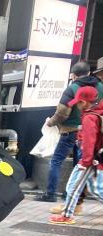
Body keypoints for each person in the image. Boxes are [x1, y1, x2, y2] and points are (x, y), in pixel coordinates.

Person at [40, 61, 103, 205]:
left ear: (74, 75)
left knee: (56, 161)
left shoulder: (72, 89)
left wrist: (50, 123)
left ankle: (50, 194)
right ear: (89, 73)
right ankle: (71, 195)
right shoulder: (100, 86)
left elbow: (62, 113)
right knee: (79, 165)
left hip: (70, 131)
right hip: (92, 131)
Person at [50, 86, 103, 225]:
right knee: (96, 189)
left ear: (84, 103)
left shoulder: (89, 117)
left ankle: (67, 216)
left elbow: (89, 141)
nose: (77, 105)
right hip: (95, 158)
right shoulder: (97, 113)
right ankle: (67, 214)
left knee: (75, 187)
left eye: (78, 102)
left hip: (90, 159)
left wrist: (84, 162)